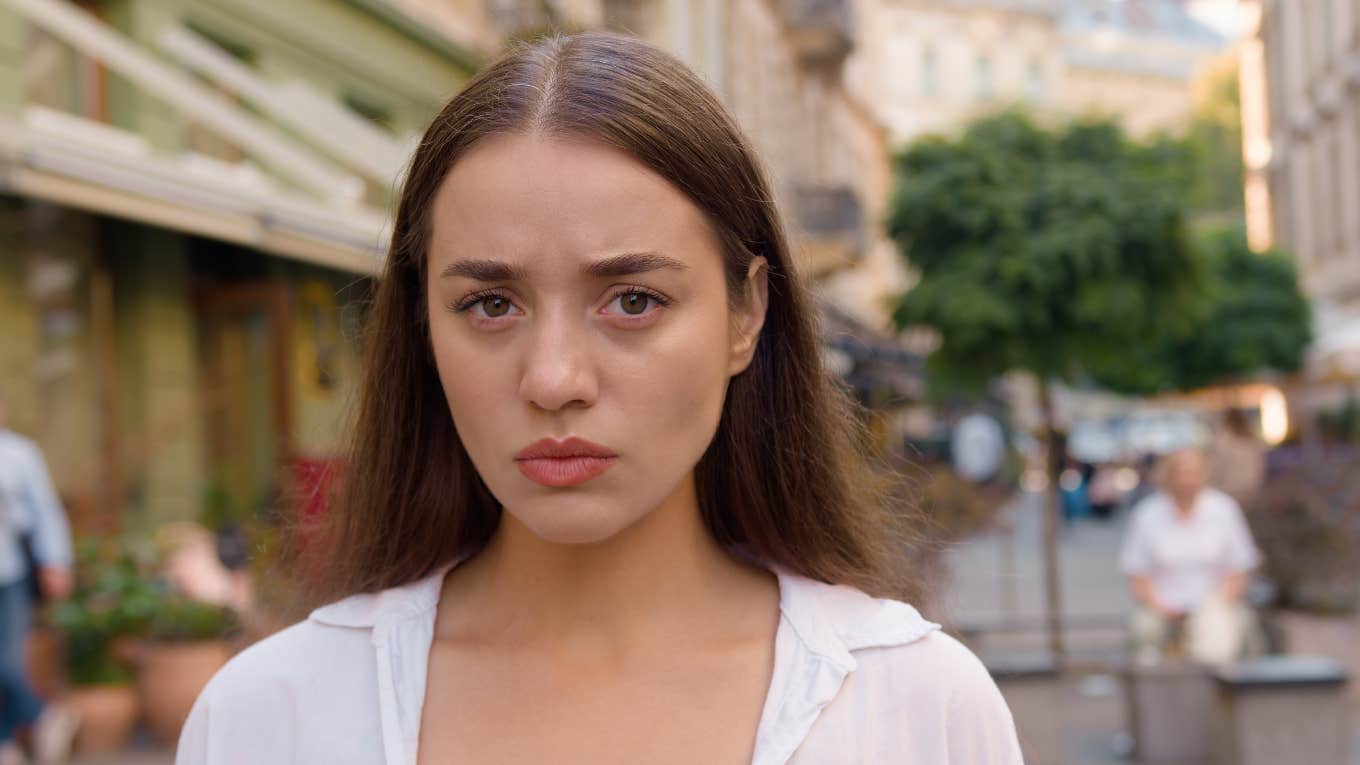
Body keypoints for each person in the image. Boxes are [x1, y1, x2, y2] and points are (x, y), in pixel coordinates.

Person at [176, 32, 1022, 764]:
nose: (553, 380)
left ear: (746, 313)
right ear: (422, 325)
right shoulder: (270, 717)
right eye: (490, 304)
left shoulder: (916, 708)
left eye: (633, 301)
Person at [1119, 447, 1263, 666]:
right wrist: (1162, 606)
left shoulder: (1223, 510)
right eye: (1180, 473)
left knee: (1222, 638)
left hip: (1214, 601)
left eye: (1193, 473)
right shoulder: (1147, 514)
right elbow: (1138, 575)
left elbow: (1240, 569)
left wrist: (1216, 604)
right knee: (1145, 635)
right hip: (1162, 604)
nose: (1186, 481)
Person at [0, 388, 78, 765]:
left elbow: (45, 512)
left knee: (9, 664)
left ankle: (42, 717)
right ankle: (8, 743)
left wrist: (55, 562)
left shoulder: (19, 454)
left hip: (10, 576)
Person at [1208, 408, 1267, 506]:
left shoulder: (1224, 438)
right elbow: (1260, 465)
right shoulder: (1251, 438)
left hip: (1228, 490)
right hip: (1251, 491)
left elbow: (1216, 466)